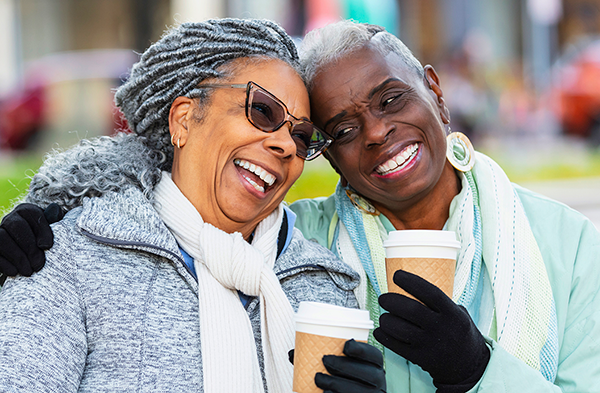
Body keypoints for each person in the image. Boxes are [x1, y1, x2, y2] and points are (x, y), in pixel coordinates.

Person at [2, 19, 599, 392]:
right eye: (336, 130)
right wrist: (47, 221)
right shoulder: (292, 252)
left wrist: (477, 371)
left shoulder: (567, 246)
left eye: (393, 98)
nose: (375, 133)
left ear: (436, 94)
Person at [0, 19, 386, 393]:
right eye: (263, 111)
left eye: (302, 137)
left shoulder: (323, 286)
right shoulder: (67, 259)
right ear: (183, 119)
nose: (286, 146)